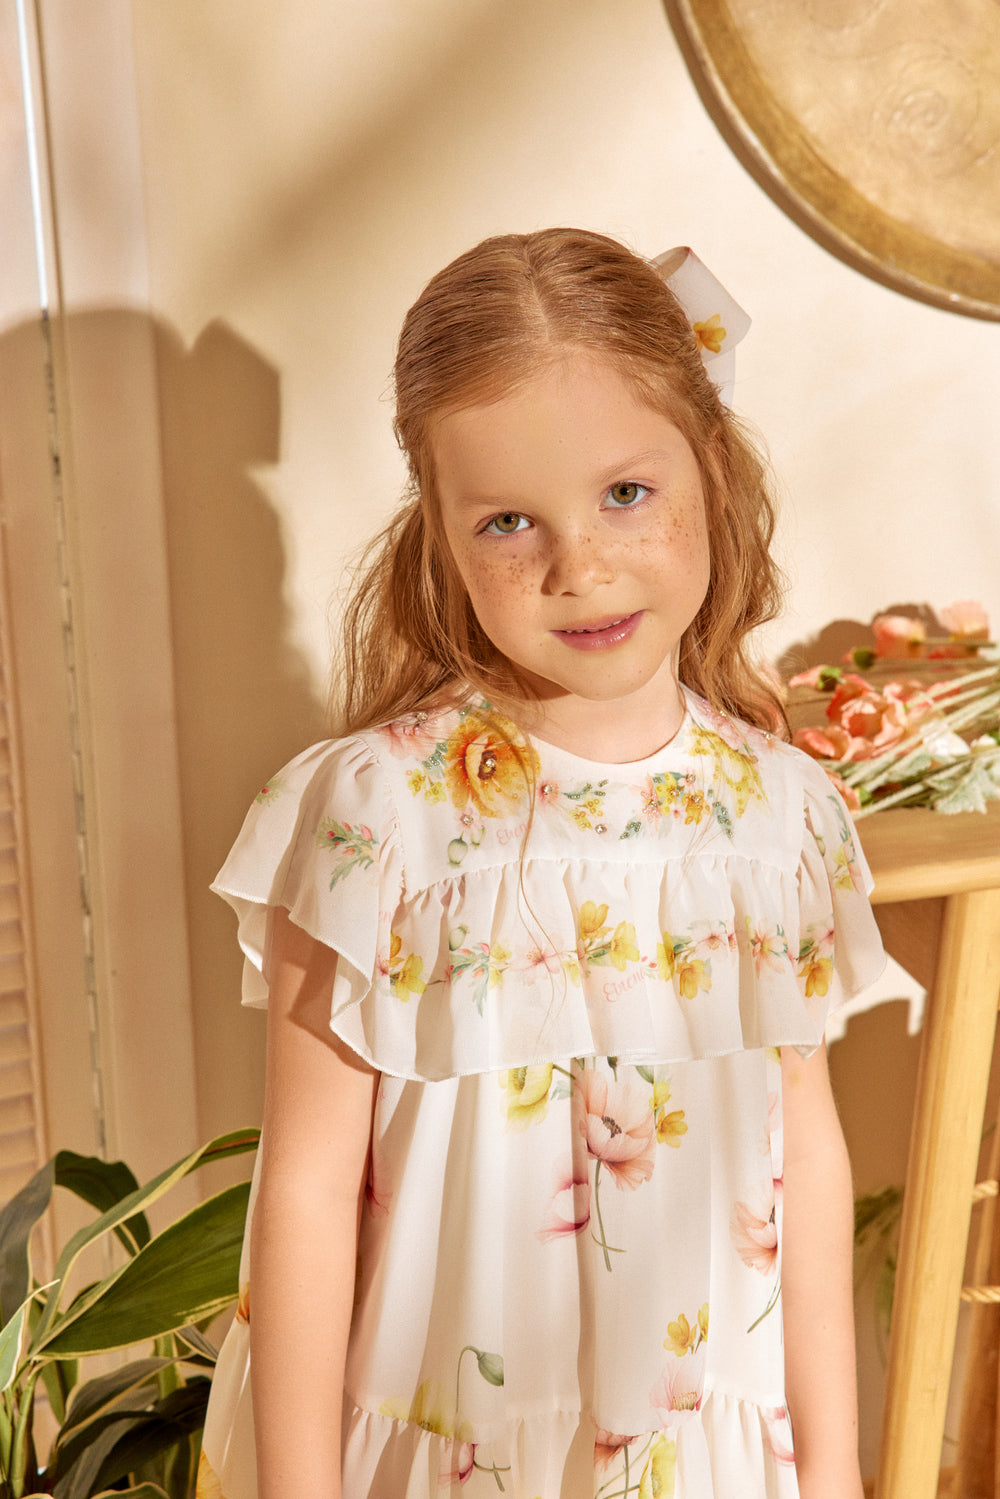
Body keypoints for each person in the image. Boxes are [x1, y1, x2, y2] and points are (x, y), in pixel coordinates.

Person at [198, 229, 885, 1499]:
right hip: (442, 1451)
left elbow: (805, 1153)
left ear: (709, 467)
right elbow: (304, 1189)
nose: (580, 567)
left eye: (625, 493)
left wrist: (834, 1468)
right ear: (441, 534)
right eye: (510, 521)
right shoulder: (373, 815)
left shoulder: (783, 813)